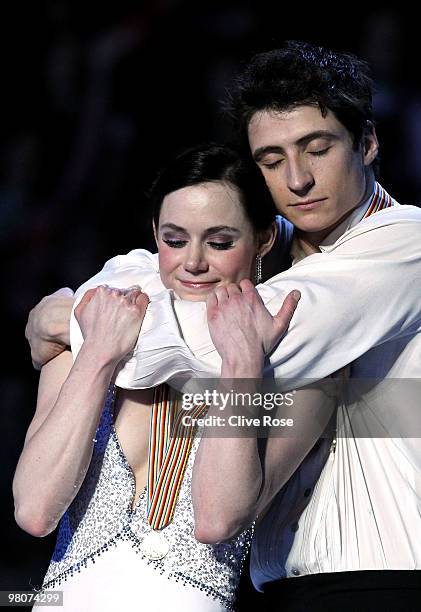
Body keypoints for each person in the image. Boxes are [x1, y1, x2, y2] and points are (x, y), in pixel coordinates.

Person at [25, 41, 421, 611]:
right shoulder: (275, 250)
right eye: (272, 159)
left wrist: (76, 322)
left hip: (383, 577)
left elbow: (221, 343)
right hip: (285, 583)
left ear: (367, 143)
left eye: (318, 149)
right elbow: (151, 265)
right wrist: (91, 302)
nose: (299, 179)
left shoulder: (399, 245)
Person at [14, 142, 310, 612]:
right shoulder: (86, 336)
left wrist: (241, 366)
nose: (193, 263)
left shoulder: (288, 364)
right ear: (154, 233)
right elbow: (34, 510)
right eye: (174, 240)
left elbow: (217, 519)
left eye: (220, 242)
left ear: (264, 238)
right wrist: (99, 356)